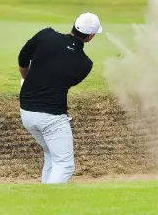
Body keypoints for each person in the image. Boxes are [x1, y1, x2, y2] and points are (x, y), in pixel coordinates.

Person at [17, 12, 102, 184]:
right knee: (65, 165)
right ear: (90, 36)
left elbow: (23, 58)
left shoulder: (45, 35)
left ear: (74, 24)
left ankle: (43, 198)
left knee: (51, 154)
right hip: (52, 118)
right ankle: (49, 204)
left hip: (26, 112)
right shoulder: (85, 64)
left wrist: (27, 78)